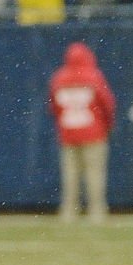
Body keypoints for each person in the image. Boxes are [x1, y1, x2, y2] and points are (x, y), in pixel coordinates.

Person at [48, 42, 116, 225]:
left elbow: (53, 106)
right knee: (95, 174)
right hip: (93, 131)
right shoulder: (93, 76)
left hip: (68, 131)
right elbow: (107, 104)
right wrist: (108, 125)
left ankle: (69, 211)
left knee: (70, 174)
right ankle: (96, 212)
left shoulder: (59, 77)